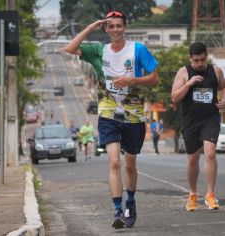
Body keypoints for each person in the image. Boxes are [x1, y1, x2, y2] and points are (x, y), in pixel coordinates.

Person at [65, 10, 158, 229]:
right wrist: (90, 28)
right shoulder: (99, 50)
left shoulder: (138, 50)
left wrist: (132, 79)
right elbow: (70, 48)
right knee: (114, 162)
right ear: (106, 29)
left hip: (133, 115)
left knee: (130, 164)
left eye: (119, 26)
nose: (115, 30)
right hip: (107, 112)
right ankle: (117, 209)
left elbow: (154, 78)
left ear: (124, 27)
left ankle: (131, 203)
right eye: (111, 26)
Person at [171, 41, 225, 212]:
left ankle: (210, 194)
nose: (200, 64)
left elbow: (224, 87)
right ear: (190, 59)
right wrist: (188, 84)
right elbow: (174, 98)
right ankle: (193, 193)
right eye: (196, 61)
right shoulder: (183, 72)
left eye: (202, 59)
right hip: (191, 122)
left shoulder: (215, 71)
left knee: (210, 153)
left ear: (206, 56)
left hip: (210, 119)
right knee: (193, 158)